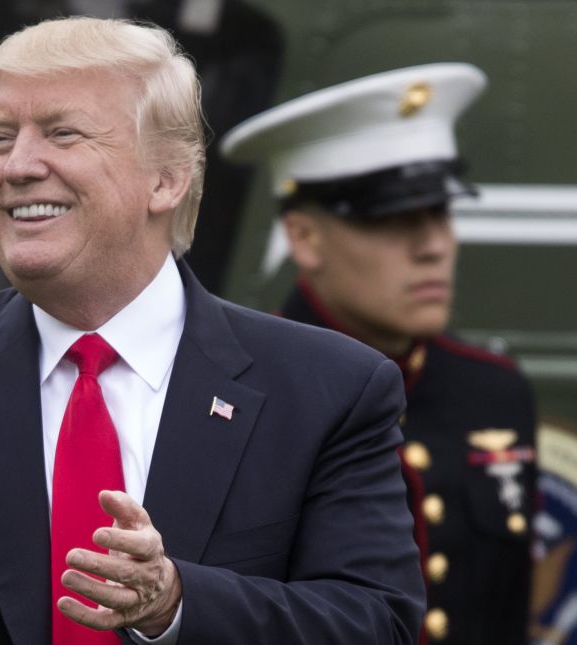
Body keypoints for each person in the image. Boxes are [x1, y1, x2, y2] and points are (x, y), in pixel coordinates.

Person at [0, 16, 424, 645]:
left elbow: (376, 624)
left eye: (63, 134)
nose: (18, 166)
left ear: (166, 179)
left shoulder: (330, 389)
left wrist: (176, 604)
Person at [221, 63, 538, 644]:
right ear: (304, 237)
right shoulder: (233, 393)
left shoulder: (491, 392)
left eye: (440, 212)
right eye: (393, 219)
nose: (434, 246)